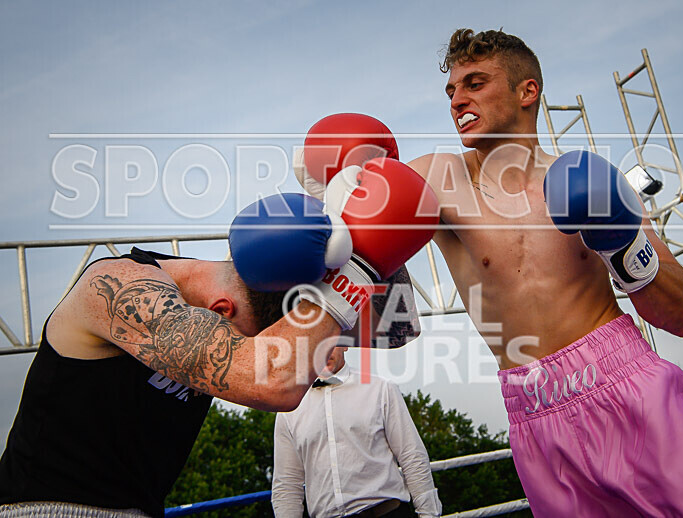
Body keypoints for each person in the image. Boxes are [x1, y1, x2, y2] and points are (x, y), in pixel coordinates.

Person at [394, 29, 683, 517]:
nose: (457, 100)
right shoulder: (439, 178)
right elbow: (356, 217)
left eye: (475, 83)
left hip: (627, 384)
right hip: (534, 416)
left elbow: (680, 315)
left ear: (527, 91)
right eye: (451, 90)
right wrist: (334, 182)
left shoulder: (588, 178)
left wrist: (623, 242)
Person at [0, 181, 435, 517]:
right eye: (257, 340)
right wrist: (354, 272)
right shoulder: (116, 287)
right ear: (221, 311)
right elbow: (273, 380)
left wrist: (351, 222)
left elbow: (390, 330)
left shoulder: (238, 303)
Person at [272, 346, 442, 518]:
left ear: (346, 344)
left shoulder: (381, 388)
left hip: (386, 513)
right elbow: (286, 483)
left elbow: (412, 455)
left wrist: (429, 514)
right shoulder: (289, 408)